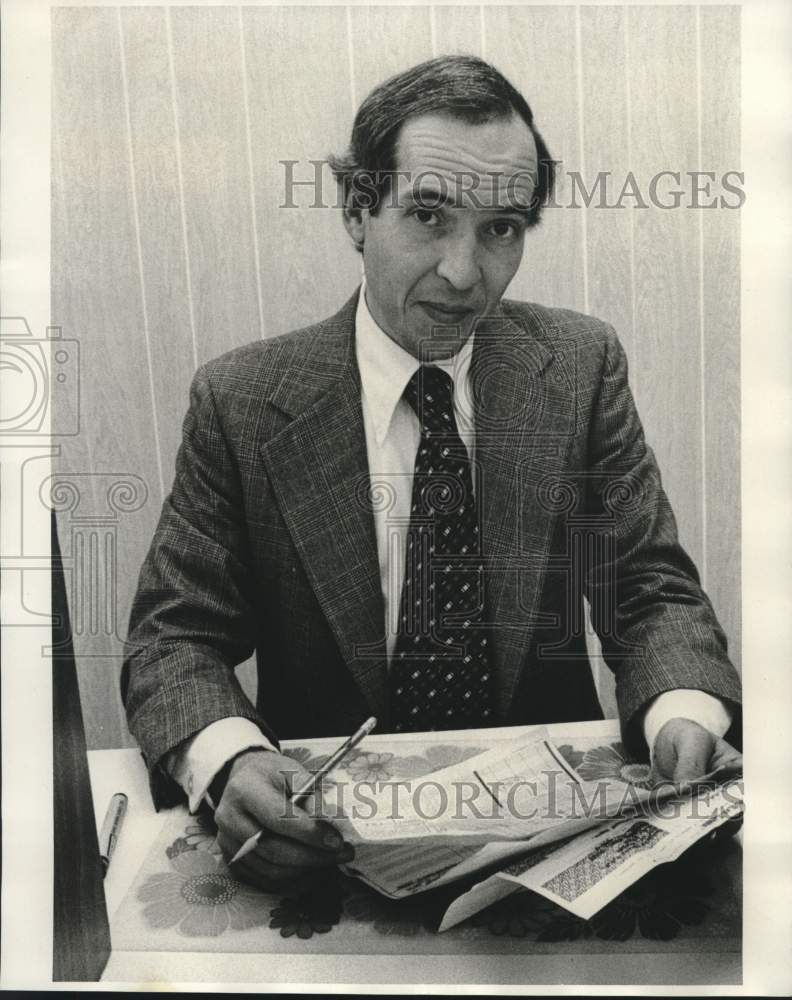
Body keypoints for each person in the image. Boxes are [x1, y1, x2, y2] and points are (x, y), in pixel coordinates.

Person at [122, 55, 742, 891]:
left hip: (548, 844)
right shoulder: (243, 401)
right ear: (356, 210)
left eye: (502, 228)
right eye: (428, 215)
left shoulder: (577, 367)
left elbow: (645, 588)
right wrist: (228, 761)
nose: (463, 272)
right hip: (328, 845)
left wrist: (683, 711)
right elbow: (175, 638)